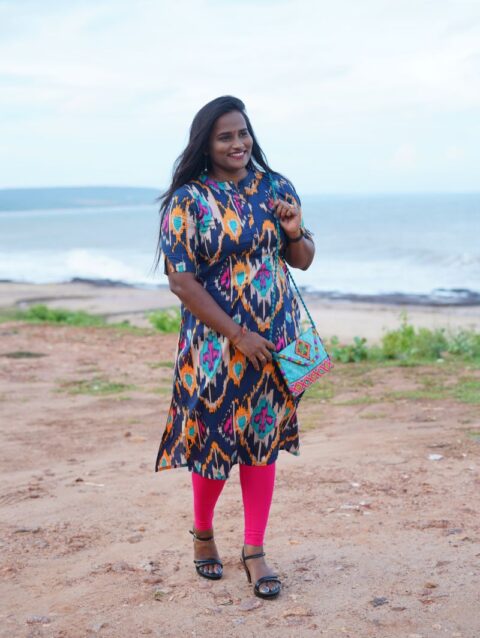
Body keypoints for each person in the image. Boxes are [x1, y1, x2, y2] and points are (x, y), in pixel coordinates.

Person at [153, 95, 315, 599]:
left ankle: (254, 550)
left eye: (242, 133)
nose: (238, 143)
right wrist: (237, 335)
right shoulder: (187, 201)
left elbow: (303, 259)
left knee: (262, 440)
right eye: (225, 136)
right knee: (213, 441)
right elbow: (181, 281)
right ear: (206, 144)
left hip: (277, 339)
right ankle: (203, 534)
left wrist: (294, 231)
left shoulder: (276, 187)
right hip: (214, 346)